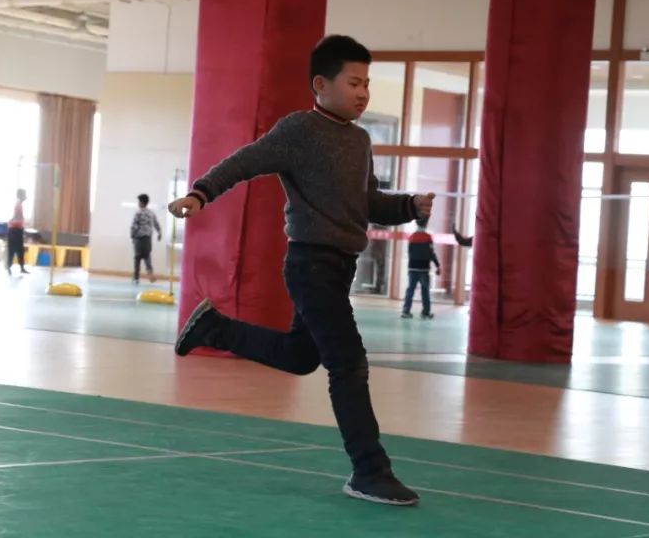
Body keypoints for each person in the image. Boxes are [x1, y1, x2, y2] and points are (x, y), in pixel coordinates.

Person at [169, 35, 434, 507]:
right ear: (320, 85)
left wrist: (408, 206)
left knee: (300, 356)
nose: (363, 92)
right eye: (353, 82)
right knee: (348, 362)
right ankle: (370, 471)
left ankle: (213, 328)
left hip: (340, 267)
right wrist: (200, 193)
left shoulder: (359, 140)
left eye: (366, 83)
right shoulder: (298, 131)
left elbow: (366, 203)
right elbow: (244, 161)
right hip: (311, 265)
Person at [402, 218, 439, 319]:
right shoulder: (428, 237)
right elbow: (431, 253)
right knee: (425, 291)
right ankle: (425, 312)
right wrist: (437, 265)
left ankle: (406, 311)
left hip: (412, 267)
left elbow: (409, 252)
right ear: (426, 224)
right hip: (423, 268)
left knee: (410, 290)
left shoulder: (412, 237)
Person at [130, 193, 162, 284]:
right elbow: (156, 224)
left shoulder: (138, 213)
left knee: (137, 258)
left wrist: (132, 236)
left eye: (139, 202)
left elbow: (134, 226)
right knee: (147, 256)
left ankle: (136, 278)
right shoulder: (151, 213)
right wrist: (159, 233)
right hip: (148, 238)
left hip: (139, 238)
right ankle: (150, 272)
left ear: (141, 202)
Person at [6, 188, 28, 276]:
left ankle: (21, 268)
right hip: (14, 230)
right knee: (12, 249)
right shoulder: (18, 204)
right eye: (24, 194)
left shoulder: (20, 204)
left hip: (17, 229)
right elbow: (16, 217)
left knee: (20, 249)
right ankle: (9, 267)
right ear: (20, 195)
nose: (26, 196)